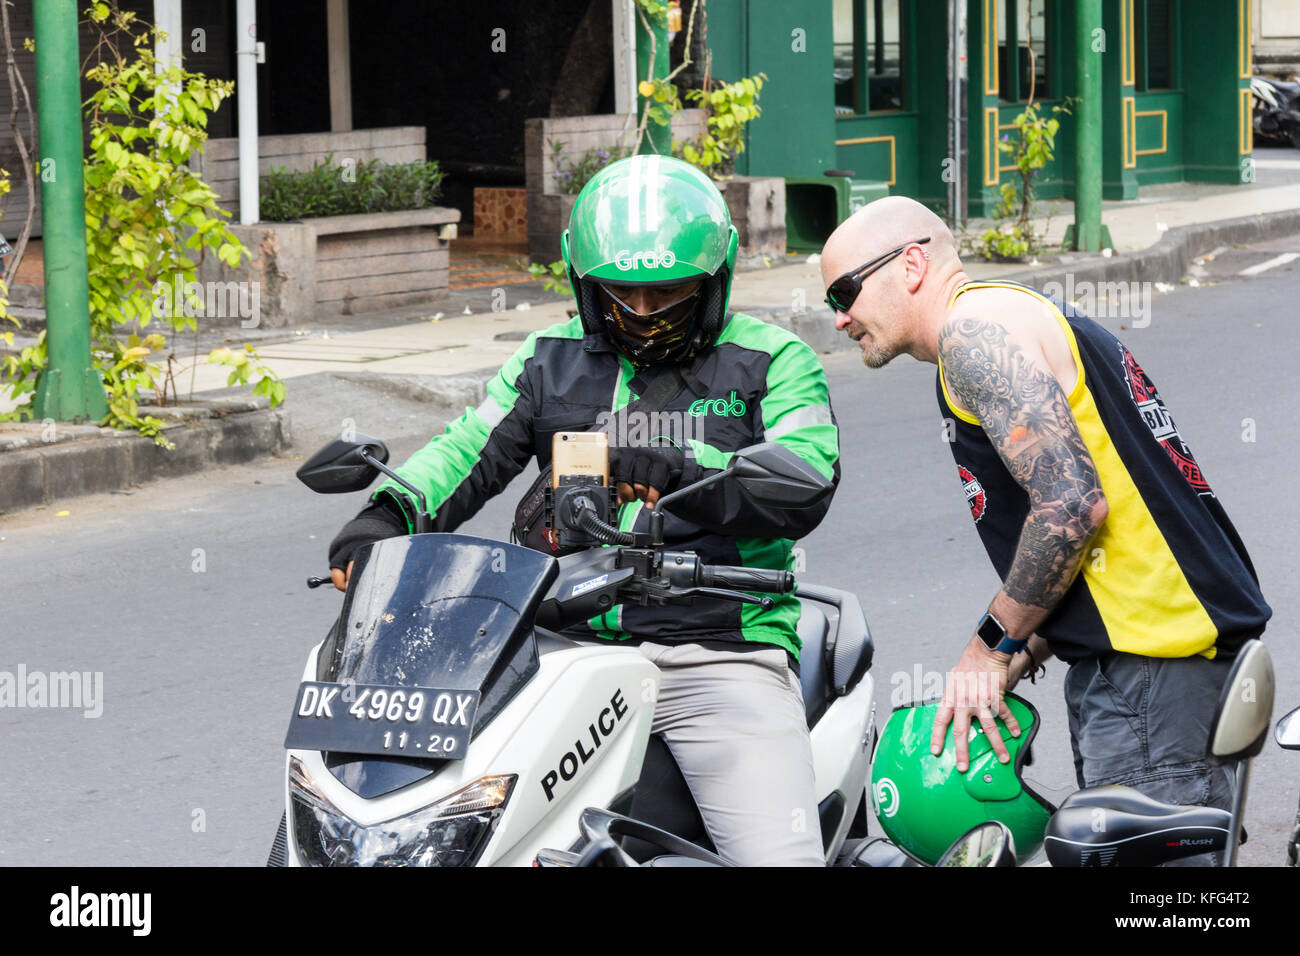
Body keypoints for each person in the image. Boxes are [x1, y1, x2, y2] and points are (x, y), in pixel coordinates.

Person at [328, 155, 840, 866]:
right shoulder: (548, 360)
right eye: (622, 294)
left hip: (718, 655)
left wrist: (688, 467)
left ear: (715, 280)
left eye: (669, 294)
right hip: (560, 649)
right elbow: (465, 449)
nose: (644, 314)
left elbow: (808, 475)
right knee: (440, 824)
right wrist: (388, 514)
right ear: (585, 283)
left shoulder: (773, 360)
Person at [821, 197, 1270, 862]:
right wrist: (1025, 650)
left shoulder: (973, 334)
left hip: (1152, 668)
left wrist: (989, 648)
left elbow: (1071, 505)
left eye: (845, 290)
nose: (839, 317)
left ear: (911, 263)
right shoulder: (1011, 312)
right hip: (1165, 657)